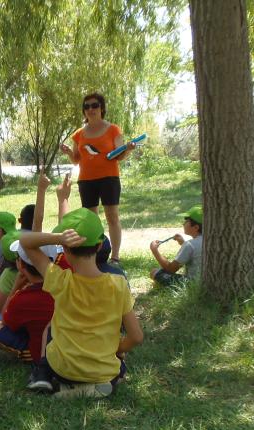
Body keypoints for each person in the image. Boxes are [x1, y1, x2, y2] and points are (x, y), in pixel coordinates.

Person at [23, 208, 143, 398]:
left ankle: (63, 385)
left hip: (63, 370)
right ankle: (96, 386)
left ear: (66, 249)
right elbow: (136, 337)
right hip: (103, 373)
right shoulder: (119, 285)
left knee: (52, 326)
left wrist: (58, 238)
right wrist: (117, 349)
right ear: (99, 246)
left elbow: (26, 242)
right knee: (120, 367)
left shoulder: (59, 280)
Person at [60, 92, 137, 264]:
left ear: (102, 108)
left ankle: (115, 257)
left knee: (112, 217)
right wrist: (68, 153)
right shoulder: (78, 134)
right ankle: (95, 254)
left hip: (109, 178)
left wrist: (128, 149)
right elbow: (76, 160)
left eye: (94, 105)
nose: (90, 109)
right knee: (91, 219)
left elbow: (119, 156)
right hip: (86, 180)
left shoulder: (113, 129)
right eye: (86, 106)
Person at [0, 241, 55, 363]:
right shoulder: (63, 282)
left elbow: (4, 320)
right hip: (63, 345)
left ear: (21, 265)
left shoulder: (23, 298)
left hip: (39, 353)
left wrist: (15, 288)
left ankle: (12, 355)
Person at [150, 205, 203, 287]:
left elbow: (170, 269)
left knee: (154, 272)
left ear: (196, 227)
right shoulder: (210, 241)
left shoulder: (189, 245)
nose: (183, 223)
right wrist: (182, 243)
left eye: (186, 221)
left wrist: (155, 251)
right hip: (207, 282)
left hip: (192, 285)